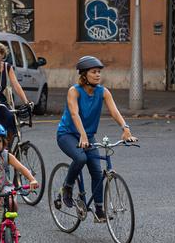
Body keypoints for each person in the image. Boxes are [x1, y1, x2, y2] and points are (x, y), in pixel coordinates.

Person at [56, 56, 136, 222]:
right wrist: (83, 135)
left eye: (99, 71)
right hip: (68, 134)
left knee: (97, 171)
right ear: (84, 75)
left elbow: (114, 112)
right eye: (94, 72)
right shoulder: (74, 91)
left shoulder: (103, 92)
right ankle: (67, 187)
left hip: (88, 136)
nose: (98, 75)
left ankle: (99, 210)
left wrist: (125, 128)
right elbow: (74, 113)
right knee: (80, 157)